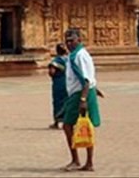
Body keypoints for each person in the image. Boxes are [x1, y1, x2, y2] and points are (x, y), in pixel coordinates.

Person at [61, 27, 101, 172]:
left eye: (72, 40)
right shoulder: (74, 56)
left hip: (80, 94)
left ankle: (78, 160)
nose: (69, 43)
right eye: (67, 41)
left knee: (70, 126)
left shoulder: (79, 56)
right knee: (82, 126)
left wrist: (83, 98)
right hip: (80, 93)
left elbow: (86, 79)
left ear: (79, 40)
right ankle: (84, 161)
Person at [49, 43, 69, 129]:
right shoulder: (69, 60)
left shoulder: (56, 61)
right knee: (67, 101)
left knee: (57, 102)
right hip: (68, 82)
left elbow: (52, 72)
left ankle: (57, 121)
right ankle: (68, 120)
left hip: (59, 83)